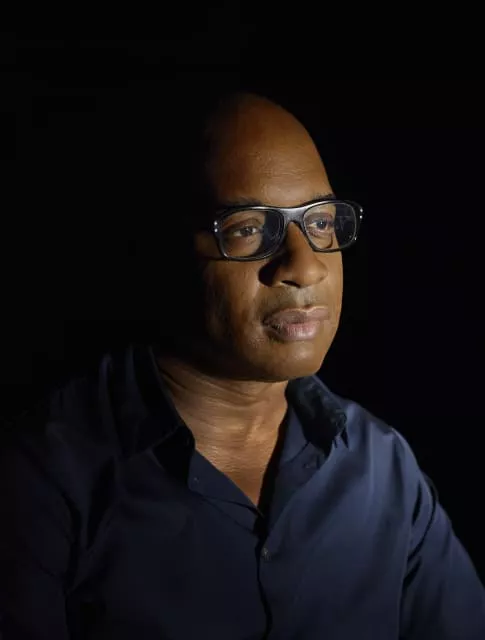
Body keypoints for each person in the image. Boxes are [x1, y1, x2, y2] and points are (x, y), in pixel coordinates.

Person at [1, 77, 484, 640]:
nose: (305, 266)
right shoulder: (43, 482)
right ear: (159, 249)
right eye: (250, 228)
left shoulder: (383, 469)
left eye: (320, 222)